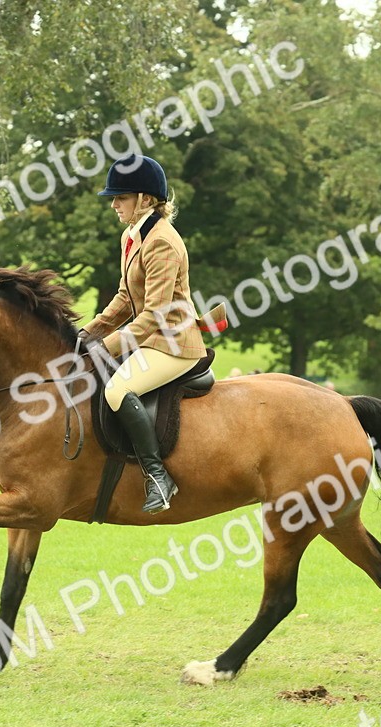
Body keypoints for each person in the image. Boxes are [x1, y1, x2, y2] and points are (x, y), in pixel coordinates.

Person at [80, 154, 224, 514]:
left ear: (146, 199)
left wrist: (106, 348)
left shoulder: (162, 241)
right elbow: (126, 297)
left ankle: (158, 476)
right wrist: (90, 331)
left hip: (173, 342)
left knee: (118, 387)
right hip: (153, 336)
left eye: (121, 197)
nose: (114, 204)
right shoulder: (132, 235)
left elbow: (154, 314)